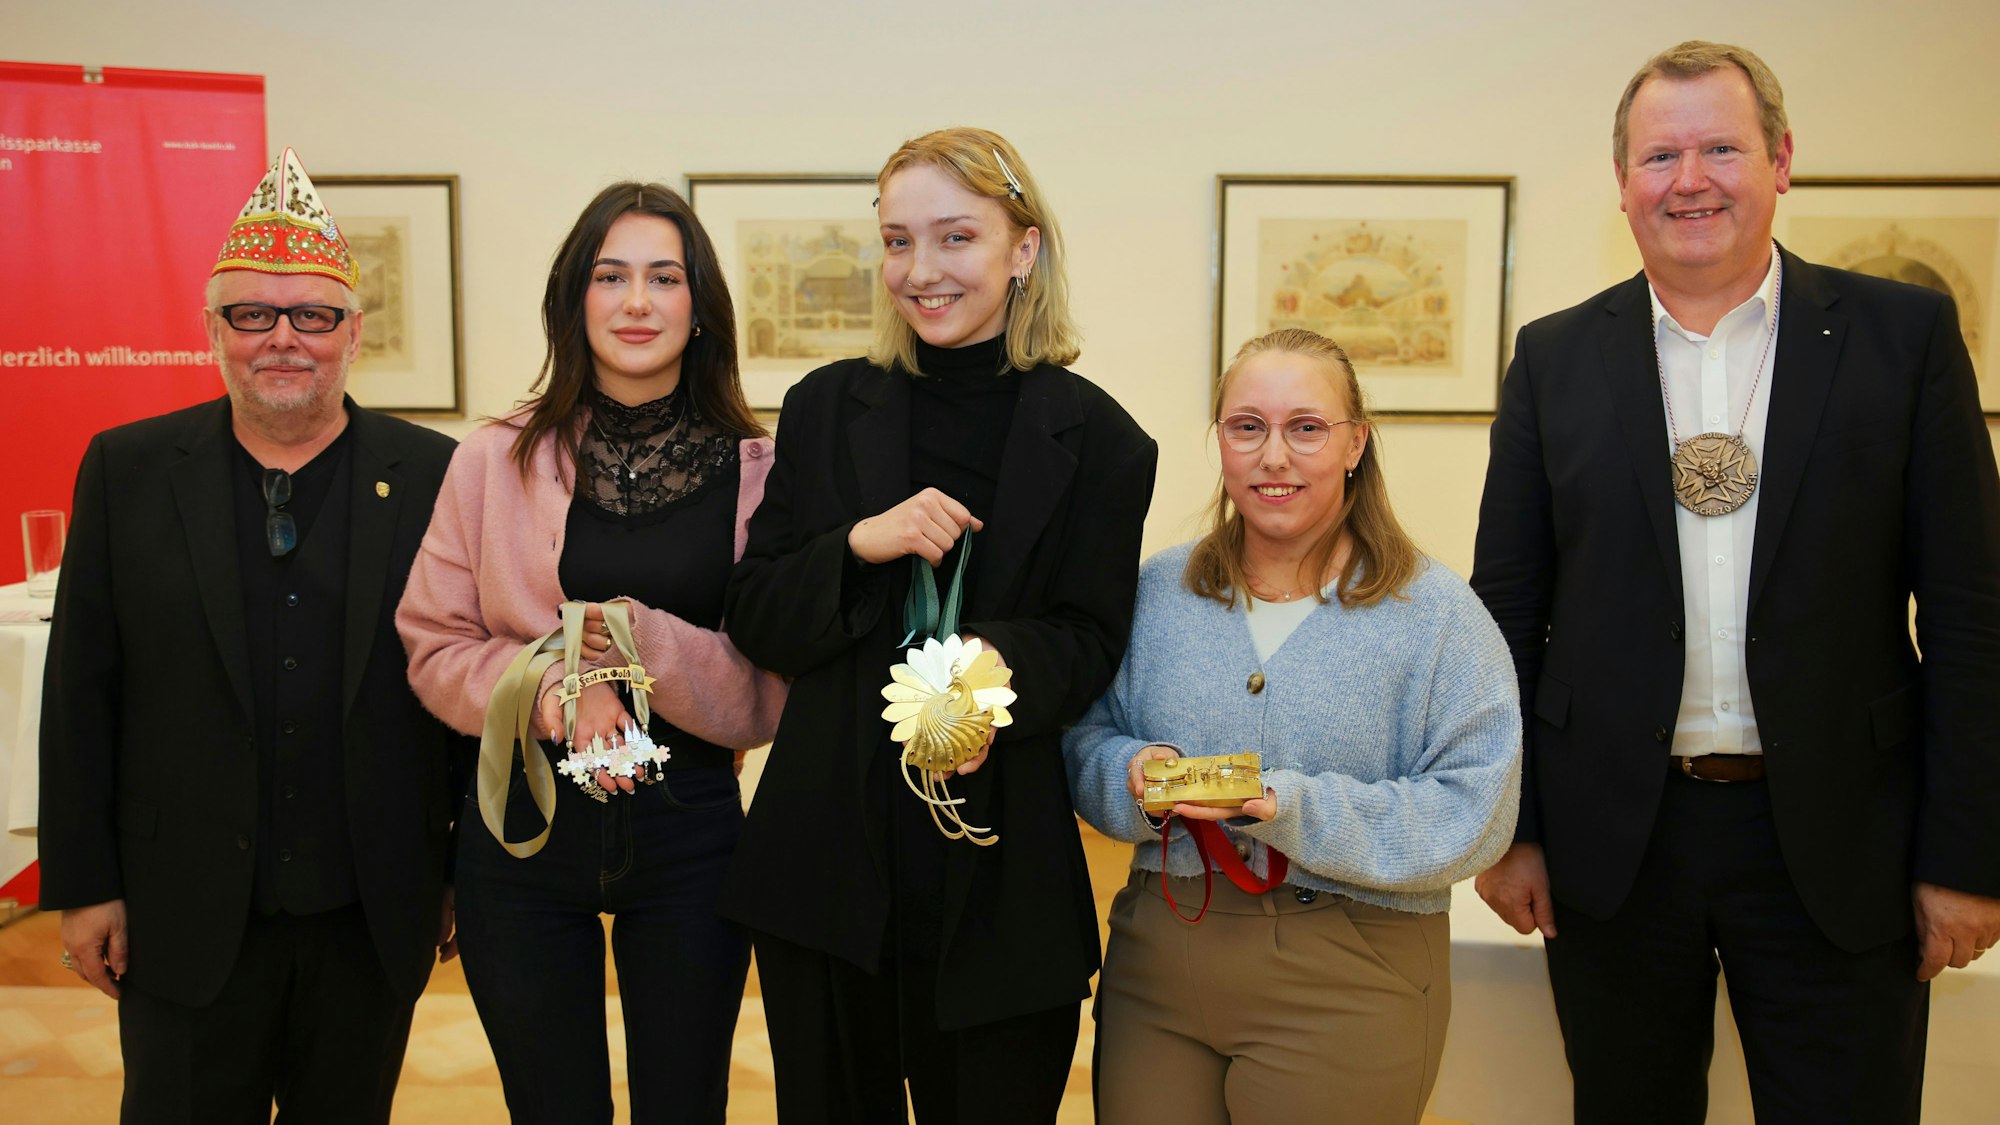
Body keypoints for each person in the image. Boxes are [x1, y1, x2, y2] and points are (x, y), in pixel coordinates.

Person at [1469, 40, 2000, 1123]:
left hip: (1842, 839)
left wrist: (1966, 855)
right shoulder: (1553, 358)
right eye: (1659, 156)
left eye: (1720, 147)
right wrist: (1507, 827)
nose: (1690, 179)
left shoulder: (1899, 339)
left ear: (1781, 161)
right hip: (1613, 842)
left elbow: (1968, 614)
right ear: (1621, 182)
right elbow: (1506, 612)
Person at [718, 126, 1157, 1124]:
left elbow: (1089, 637)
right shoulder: (826, 409)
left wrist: (992, 668)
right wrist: (857, 544)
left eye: (954, 238)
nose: (921, 271)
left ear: (1023, 248)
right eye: (897, 241)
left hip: (1004, 882)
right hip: (824, 876)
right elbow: (757, 616)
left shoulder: (1101, 439)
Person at [37, 148, 461, 1122]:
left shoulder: (437, 475)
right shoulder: (128, 470)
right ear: (212, 328)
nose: (283, 339)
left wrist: (452, 878)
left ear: (354, 332)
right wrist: (85, 884)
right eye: (251, 314)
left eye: (312, 315)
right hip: (174, 912)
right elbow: (80, 694)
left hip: (370, 912)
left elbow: (457, 695)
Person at [395, 182, 784, 1123]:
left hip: (691, 832)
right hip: (522, 823)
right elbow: (433, 641)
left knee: (685, 1103)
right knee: (549, 1104)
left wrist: (630, 646)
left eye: (664, 277)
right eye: (610, 276)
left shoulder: (761, 468)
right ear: (575, 300)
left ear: (702, 307)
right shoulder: (491, 459)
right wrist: (552, 692)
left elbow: (768, 690)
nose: (637, 301)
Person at [1064, 328, 1520, 1125]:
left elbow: (1473, 809)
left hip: (1351, 969)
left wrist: (1289, 804)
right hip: (1159, 963)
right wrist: (1132, 773)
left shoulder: (1438, 615)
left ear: (1356, 443)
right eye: (1248, 427)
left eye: (1306, 428)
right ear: (1221, 442)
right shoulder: (1155, 592)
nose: (1274, 455)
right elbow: (1084, 736)